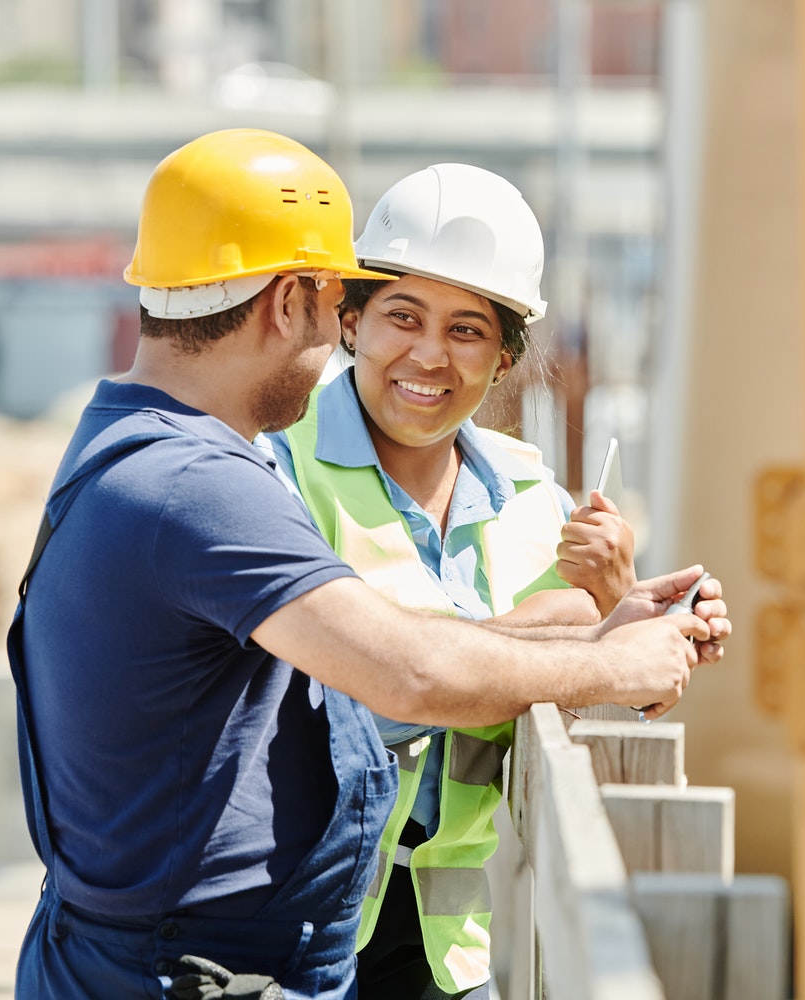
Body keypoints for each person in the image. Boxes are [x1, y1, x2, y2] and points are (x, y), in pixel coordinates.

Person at [8, 128, 728, 1000]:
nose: (346, 346)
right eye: (348, 306)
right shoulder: (207, 484)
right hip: (186, 968)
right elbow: (405, 673)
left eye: (467, 329)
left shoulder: (146, 451)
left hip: (225, 955)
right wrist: (602, 656)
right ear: (294, 302)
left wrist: (601, 628)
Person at [267, 162, 675, 1000]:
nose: (429, 354)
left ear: (503, 358)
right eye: (402, 316)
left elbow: (590, 689)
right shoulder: (277, 466)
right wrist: (562, 625)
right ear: (350, 323)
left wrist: (617, 604)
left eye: (467, 330)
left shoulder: (534, 497)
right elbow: (361, 684)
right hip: (292, 930)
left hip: (450, 949)